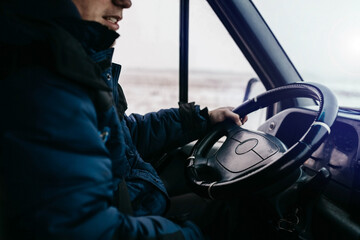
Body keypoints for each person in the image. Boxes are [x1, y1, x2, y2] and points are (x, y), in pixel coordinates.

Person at [0, 0, 247, 239]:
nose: (125, 2)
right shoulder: (44, 83)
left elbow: (124, 135)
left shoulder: (77, 67)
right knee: (235, 212)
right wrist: (194, 236)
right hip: (124, 215)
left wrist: (200, 119)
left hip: (133, 206)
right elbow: (84, 229)